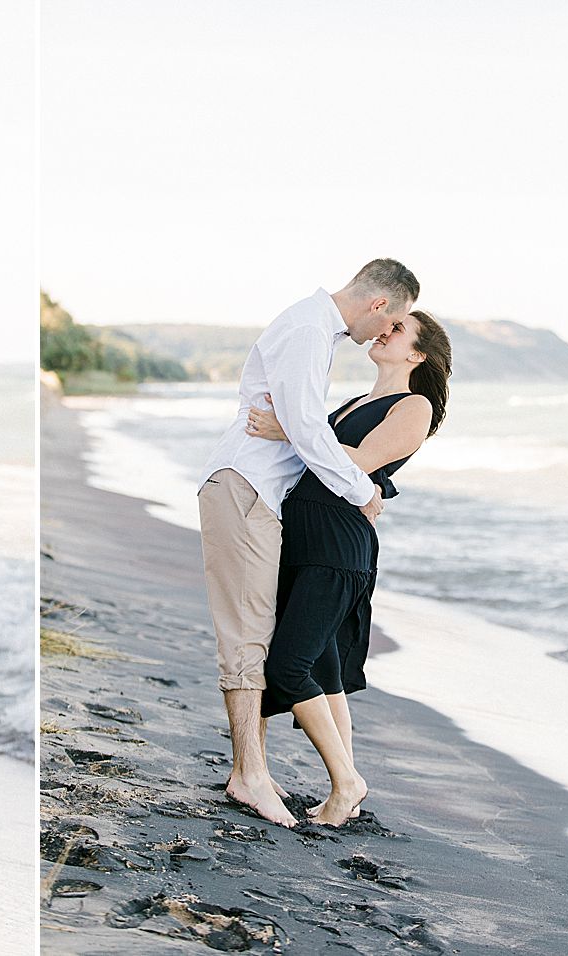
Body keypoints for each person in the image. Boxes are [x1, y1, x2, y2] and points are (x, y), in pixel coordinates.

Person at [196, 259, 419, 828]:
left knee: (262, 639)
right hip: (246, 488)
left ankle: (257, 770)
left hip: (263, 497)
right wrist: (361, 490)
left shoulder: (314, 332)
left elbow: (301, 427)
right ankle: (250, 775)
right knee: (249, 638)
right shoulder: (306, 331)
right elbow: (307, 429)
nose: (384, 334)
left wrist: (300, 433)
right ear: (379, 305)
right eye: (391, 322)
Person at [250, 310, 452, 825]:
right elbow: (321, 457)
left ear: (417, 354)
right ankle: (347, 793)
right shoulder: (358, 401)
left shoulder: (415, 406)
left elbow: (356, 463)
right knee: (326, 669)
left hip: (337, 548)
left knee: (287, 668)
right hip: (308, 538)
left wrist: (286, 430)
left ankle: (347, 782)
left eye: (399, 328)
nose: (385, 329)